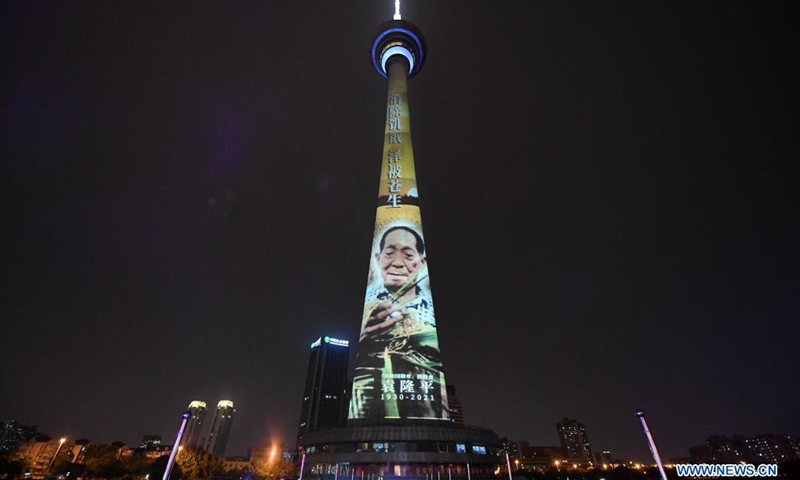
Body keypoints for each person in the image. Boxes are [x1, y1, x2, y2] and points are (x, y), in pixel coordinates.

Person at [360, 226, 434, 341]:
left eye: (408, 255)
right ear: (378, 258)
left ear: (422, 263)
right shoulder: (364, 305)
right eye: (389, 253)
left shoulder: (432, 310)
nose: (397, 263)